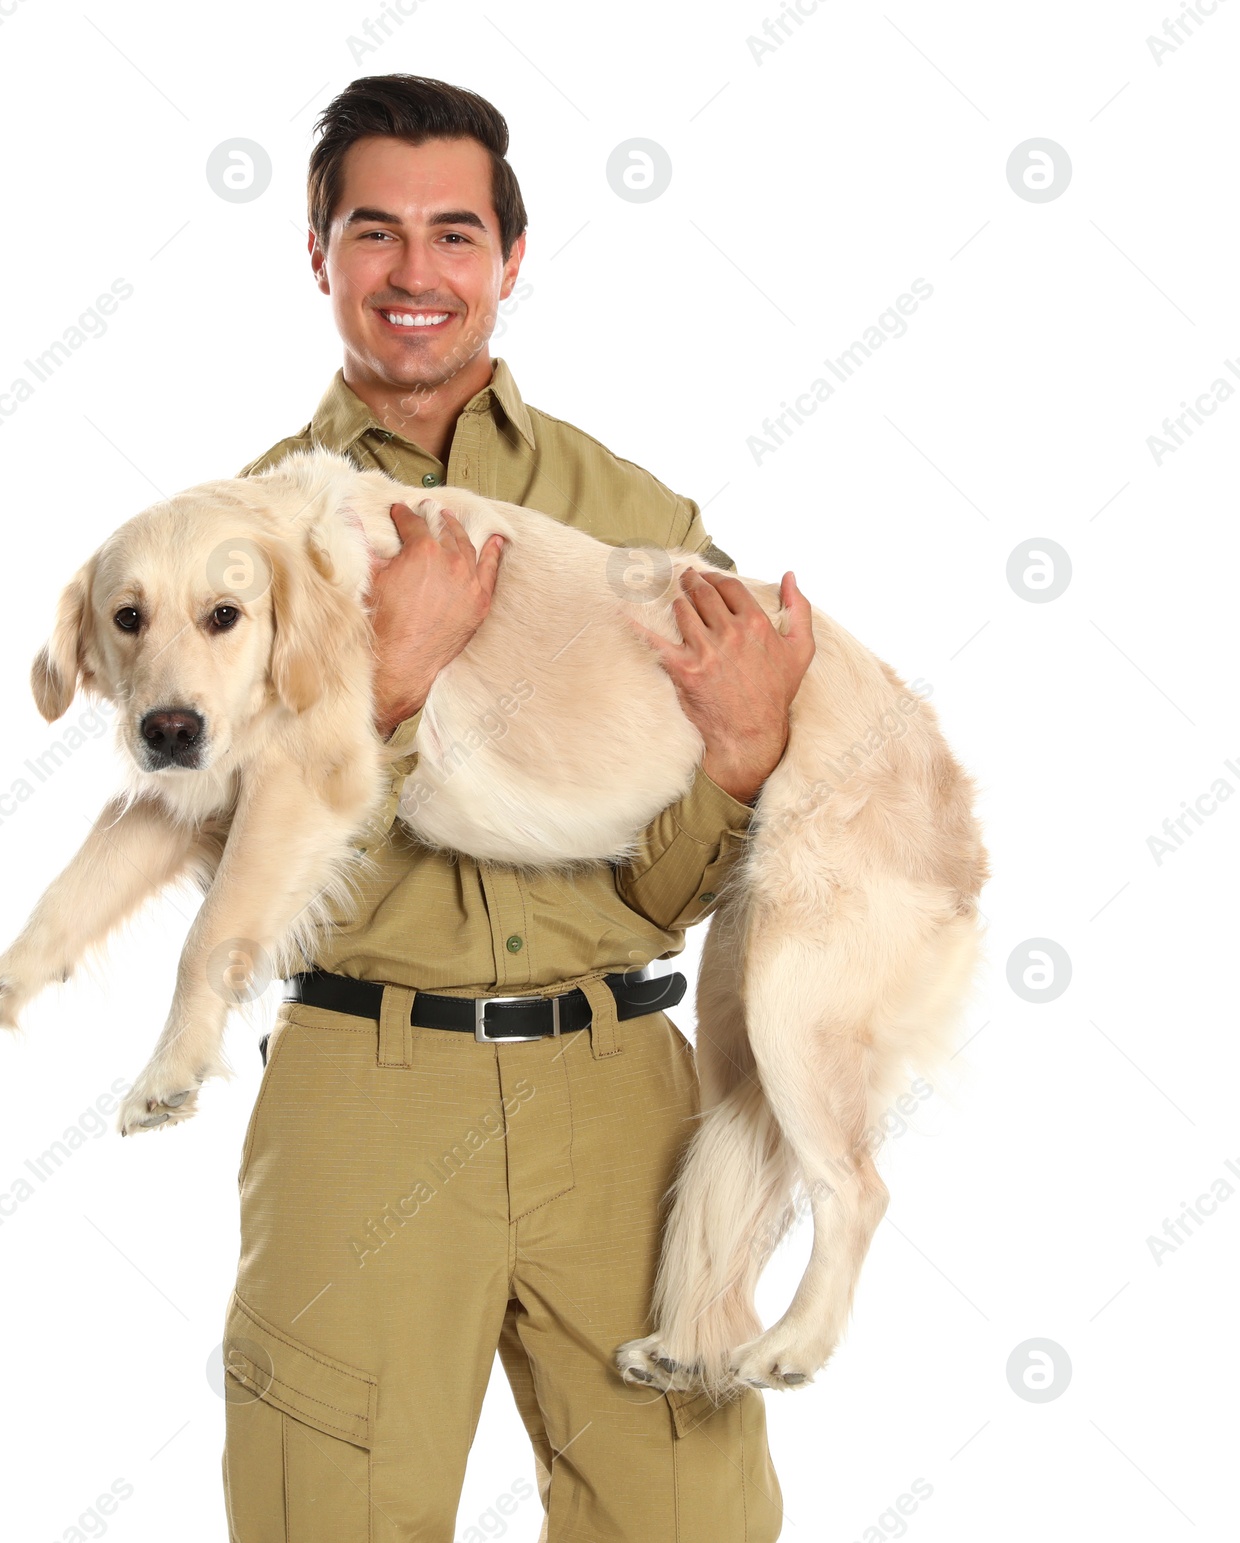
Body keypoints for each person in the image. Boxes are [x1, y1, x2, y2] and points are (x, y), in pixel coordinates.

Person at [221, 74, 813, 1543]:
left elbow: (663, 892)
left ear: (509, 258)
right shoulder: (236, 545)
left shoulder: (640, 523)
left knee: (694, 1517)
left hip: (620, 1090)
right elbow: (261, 885)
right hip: (364, 1082)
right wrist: (392, 688)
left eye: (454, 233)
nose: (415, 275)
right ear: (317, 253)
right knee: (331, 1517)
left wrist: (739, 762)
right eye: (374, 232)